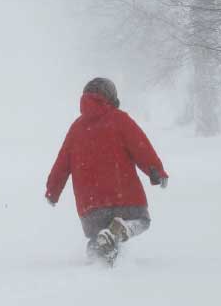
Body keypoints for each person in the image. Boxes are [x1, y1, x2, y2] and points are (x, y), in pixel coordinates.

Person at [45, 77, 169, 263]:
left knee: (99, 235)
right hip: (124, 198)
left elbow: (61, 164)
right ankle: (123, 230)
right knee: (141, 222)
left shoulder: (76, 129)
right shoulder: (119, 120)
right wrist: (156, 171)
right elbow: (141, 147)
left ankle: (98, 258)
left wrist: (52, 191)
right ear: (110, 96)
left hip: (91, 207)